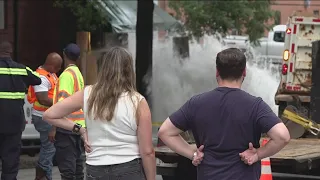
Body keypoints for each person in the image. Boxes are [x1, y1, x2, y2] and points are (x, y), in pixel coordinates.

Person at [158, 48, 291, 180]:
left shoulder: (196, 103)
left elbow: (165, 132)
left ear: (217, 71)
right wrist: (257, 154)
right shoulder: (255, 106)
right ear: (244, 72)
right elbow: (282, 136)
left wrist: (192, 153)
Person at [43, 47, 156, 180]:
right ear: (129, 71)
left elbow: (49, 115)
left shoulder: (87, 94)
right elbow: (147, 151)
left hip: (95, 169)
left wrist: (80, 130)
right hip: (129, 168)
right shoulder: (138, 101)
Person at [0, 41, 41, 180]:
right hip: (14, 122)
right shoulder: (21, 69)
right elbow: (37, 80)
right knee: (11, 156)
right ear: (10, 52)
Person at [46, 43, 86, 180]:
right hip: (78, 125)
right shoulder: (78, 74)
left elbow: (61, 105)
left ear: (64, 55)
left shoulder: (66, 76)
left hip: (66, 126)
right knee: (77, 165)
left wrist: (54, 127)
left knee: (67, 168)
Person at [27, 53, 62, 180]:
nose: (58, 70)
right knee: (49, 148)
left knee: (49, 148)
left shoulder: (50, 73)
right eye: (58, 67)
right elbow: (42, 99)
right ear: (51, 65)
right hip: (43, 117)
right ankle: (43, 175)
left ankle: (44, 174)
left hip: (48, 116)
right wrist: (62, 103)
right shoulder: (41, 77)